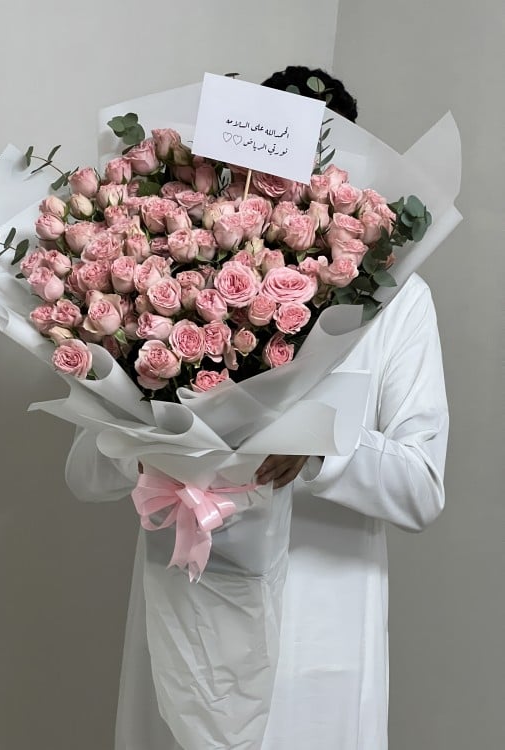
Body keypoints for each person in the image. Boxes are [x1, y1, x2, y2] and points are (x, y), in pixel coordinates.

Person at [65, 67, 449, 750]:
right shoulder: (168, 284)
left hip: (320, 630)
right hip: (185, 611)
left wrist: (320, 448)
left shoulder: (396, 301)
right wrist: (147, 441)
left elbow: (421, 489)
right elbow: (82, 475)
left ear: (341, 176)